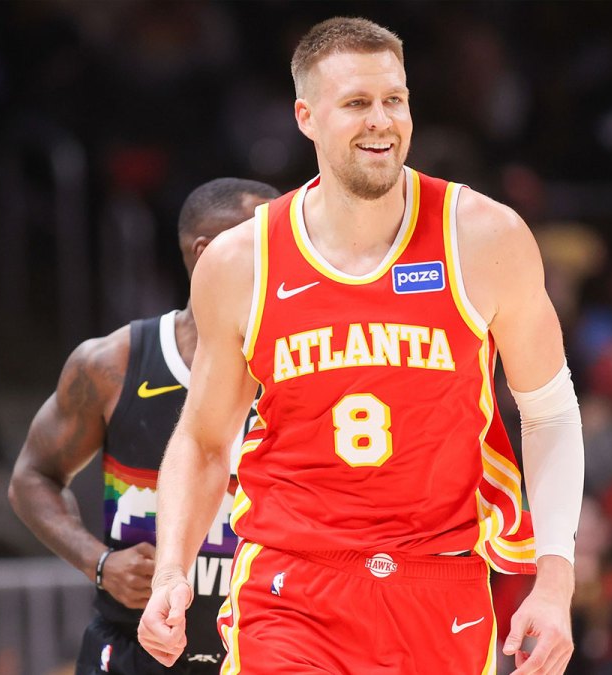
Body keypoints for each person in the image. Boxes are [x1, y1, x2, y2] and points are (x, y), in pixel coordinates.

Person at [138, 17, 584, 675]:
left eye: (393, 100)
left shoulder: (485, 238)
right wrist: (171, 568)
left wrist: (555, 580)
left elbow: (548, 411)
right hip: (292, 588)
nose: (381, 120)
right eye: (355, 103)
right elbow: (205, 440)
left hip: (441, 582)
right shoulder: (242, 261)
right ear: (306, 116)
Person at [8, 177, 280, 674]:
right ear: (208, 253)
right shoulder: (112, 363)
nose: (288, 259)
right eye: (268, 242)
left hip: (266, 650)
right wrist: (99, 563)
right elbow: (31, 478)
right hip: (135, 651)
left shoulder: (302, 363)